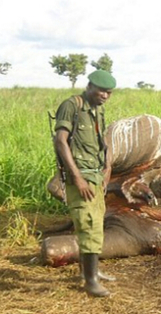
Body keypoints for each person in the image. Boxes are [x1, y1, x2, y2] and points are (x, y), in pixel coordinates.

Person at [53, 70, 117, 297]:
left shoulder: (97, 110)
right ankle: (90, 282)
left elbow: (101, 142)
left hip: (96, 177)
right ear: (89, 86)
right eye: (101, 90)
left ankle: (91, 272)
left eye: (109, 92)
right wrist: (77, 177)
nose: (105, 96)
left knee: (95, 224)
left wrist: (107, 167)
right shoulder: (72, 106)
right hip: (80, 177)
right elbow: (61, 141)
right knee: (88, 225)